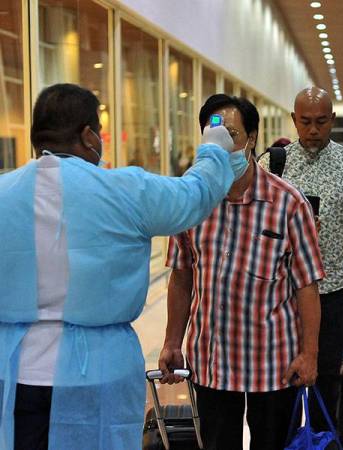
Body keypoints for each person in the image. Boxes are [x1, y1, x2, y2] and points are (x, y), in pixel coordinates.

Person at [0, 83, 237, 449]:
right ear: (89, 134)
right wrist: (214, 149)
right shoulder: (124, 190)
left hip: (14, 374)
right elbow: (194, 197)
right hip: (97, 371)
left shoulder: (4, 192)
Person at [158, 94, 324, 450]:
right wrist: (172, 340)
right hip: (212, 359)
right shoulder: (192, 199)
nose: (220, 145)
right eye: (212, 135)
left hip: (274, 361)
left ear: (251, 139)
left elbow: (307, 285)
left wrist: (310, 354)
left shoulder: (288, 203)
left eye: (230, 134)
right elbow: (183, 274)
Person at [280, 86, 343, 436]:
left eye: (321, 121)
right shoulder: (274, 164)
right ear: (294, 120)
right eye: (305, 122)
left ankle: (323, 441)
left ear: (332, 119)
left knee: (327, 382)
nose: (313, 129)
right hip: (283, 297)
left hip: (332, 292)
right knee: (282, 387)